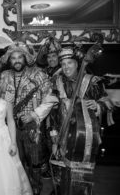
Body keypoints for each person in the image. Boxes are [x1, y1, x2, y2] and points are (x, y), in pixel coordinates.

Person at [0, 42, 58, 195]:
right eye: (13, 58)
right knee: (14, 163)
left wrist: (33, 114)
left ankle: (35, 191)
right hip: (10, 128)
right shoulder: (4, 77)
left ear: (25, 58)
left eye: (20, 57)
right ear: (9, 60)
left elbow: (51, 98)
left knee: (35, 163)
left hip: (33, 128)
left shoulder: (38, 74)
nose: (17, 60)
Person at [50, 47, 108, 195]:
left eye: (69, 63)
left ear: (77, 64)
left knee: (81, 174)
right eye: (63, 64)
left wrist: (98, 105)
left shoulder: (92, 82)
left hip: (83, 136)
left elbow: (107, 101)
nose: (66, 67)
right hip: (62, 134)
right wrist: (53, 134)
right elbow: (53, 112)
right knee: (61, 172)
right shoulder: (57, 83)